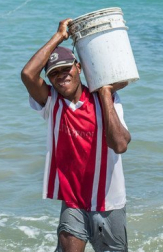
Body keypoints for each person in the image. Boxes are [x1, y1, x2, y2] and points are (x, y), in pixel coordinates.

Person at [21, 19, 132, 252]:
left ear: (79, 67)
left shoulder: (108, 101)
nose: (62, 76)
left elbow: (120, 144)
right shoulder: (52, 103)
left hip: (108, 202)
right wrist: (59, 36)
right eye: (54, 74)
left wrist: (104, 91)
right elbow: (28, 74)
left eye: (66, 68)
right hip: (73, 202)